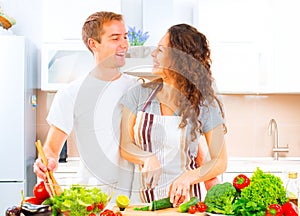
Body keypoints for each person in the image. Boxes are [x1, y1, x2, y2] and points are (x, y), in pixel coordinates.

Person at [119, 23, 228, 206]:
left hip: (187, 205)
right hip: (142, 203)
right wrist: (146, 157)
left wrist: (187, 178)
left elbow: (220, 161)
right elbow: (125, 145)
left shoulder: (204, 104)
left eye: (161, 50)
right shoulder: (138, 94)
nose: (153, 54)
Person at [33, 11, 138, 196]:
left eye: (125, 37)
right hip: (93, 198)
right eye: (115, 38)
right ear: (93, 44)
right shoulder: (71, 93)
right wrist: (45, 161)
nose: (124, 44)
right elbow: (51, 149)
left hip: (133, 199)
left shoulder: (136, 88)